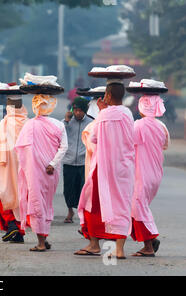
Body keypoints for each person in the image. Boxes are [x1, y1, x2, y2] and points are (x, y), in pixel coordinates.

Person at [76, 82, 135, 259]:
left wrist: (103, 113)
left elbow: (94, 137)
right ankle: (119, 250)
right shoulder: (128, 113)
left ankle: (94, 244)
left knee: (92, 203)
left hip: (104, 167)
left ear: (108, 96)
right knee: (122, 205)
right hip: (124, 167)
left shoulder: (104, 115)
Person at [15, 89, 68, 252]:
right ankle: (43, 236)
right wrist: (52, 163)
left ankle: (41, 242)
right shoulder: (58, 124)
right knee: (46, 203)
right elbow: (64, 147)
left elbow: (21, 149)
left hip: (35, 172)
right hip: (52, 171)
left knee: (37, 203)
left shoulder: (29, 125)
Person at [130, 93, 170, 257]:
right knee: (139, 206)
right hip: (156, 173)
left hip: (141, 172)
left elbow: (128, 146)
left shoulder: (137, 125)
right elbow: (164, 145)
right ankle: (150, 240)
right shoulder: (162, 126)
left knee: (138, 206)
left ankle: (149, 244)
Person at [0, 91, 28, 243]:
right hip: (23, 166)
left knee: (1, 193)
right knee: (20, 197)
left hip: (5, 165)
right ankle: (19, 233)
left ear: (8, 106)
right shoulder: (27, 122)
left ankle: (12, 225)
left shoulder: (4, 123)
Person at [62, 97, 93, 223]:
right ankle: (70, 210)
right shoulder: (67, 122)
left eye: (80, 110)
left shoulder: (91, 123)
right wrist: (66, 121)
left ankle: (83, 214)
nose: (78, 113)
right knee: (68, 189)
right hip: (69, 161)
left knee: (83, 189)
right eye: (75, 110)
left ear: (85, 111)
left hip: (83, 162)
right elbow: (59, 133)